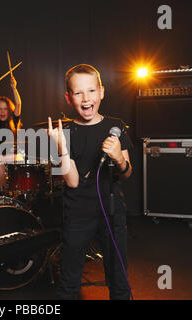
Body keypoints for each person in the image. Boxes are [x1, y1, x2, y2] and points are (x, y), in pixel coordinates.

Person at [48, 64, 133, 300]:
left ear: (102, 92)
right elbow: (73, 181)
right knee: (69, 281)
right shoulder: (64, 132)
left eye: (91, 91)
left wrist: (118, 158)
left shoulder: (115, 127)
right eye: (78, 93)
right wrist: (61, 149)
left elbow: (126, 173)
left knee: (119, 279)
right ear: (68, 97)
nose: (86, 98)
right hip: (78, 214)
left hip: (112, 212)